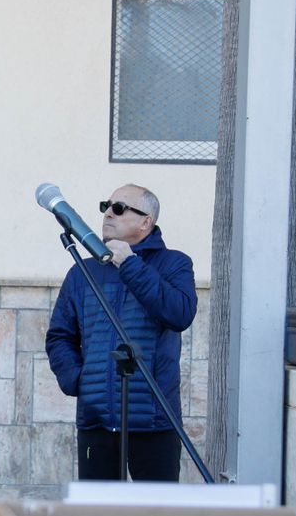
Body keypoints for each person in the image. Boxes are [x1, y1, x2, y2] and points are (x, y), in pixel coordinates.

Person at [45, 183, 197, 481]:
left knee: (155, 510)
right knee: (99, 511)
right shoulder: (82, 272)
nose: (108, 214)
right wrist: (79, 380)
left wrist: (130, 264)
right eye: (106, 206)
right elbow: (60, 336)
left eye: (119, 208)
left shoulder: (174, 264)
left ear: (145, 222)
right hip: (97, 422)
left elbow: (180, 314)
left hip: (154, 422)